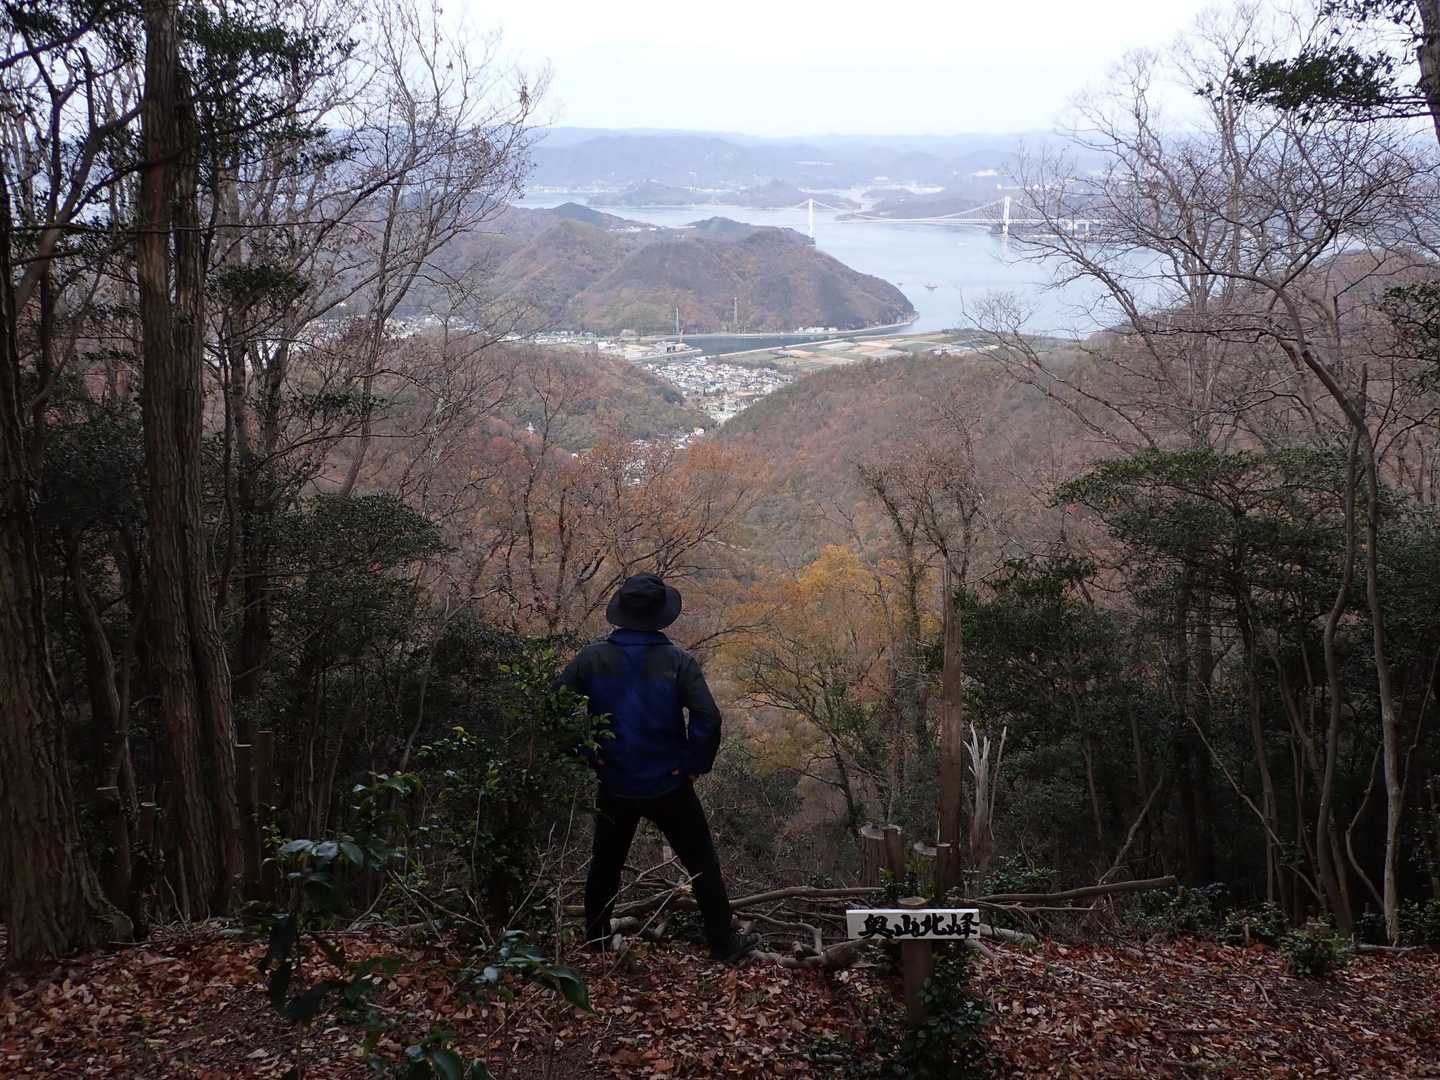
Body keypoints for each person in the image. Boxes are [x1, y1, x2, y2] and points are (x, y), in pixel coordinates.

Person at [558, 572, 758, 964]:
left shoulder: (592, 658)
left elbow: (555, 706)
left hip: (615, 782)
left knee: (605, 864)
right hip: (670, 784)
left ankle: (597, 942)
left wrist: (587, 751)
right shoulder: (677, 662)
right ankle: (723, 945)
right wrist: (693, 764)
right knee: (701, 864)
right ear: (660, 615)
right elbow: (708, 717)